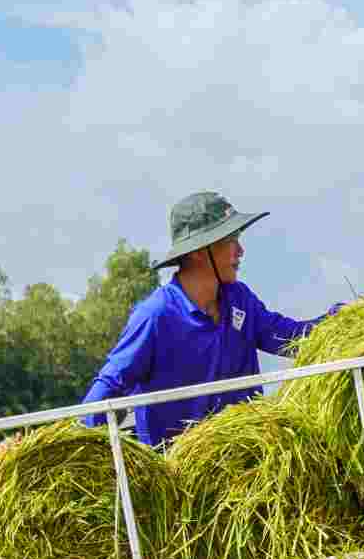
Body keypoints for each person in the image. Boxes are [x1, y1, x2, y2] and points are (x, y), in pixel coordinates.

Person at [82, 191, 333, 447]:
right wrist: (82, 447)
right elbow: (109, 386)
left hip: (248, 459)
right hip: (180, 474)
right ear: (199, 252)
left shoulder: (239, 299)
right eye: (231, 240)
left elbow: (291, 338)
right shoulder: (155, 316)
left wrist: (340, 320)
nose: (241, 251)